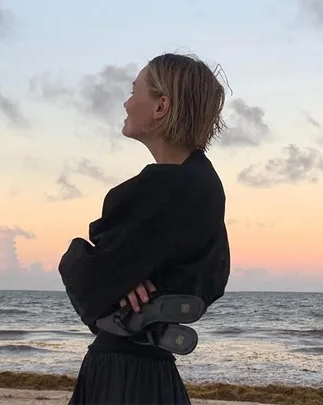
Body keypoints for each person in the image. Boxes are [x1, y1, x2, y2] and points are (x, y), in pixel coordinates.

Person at [59, 52, 231, 405]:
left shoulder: (159, 189)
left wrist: (78, 257)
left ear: (160, 106)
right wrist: (150, 288)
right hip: (154, 369)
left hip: (123, 370)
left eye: (134, 90)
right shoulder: (206, 184)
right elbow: (211, 280)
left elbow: (90, 283)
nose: (126, 101)